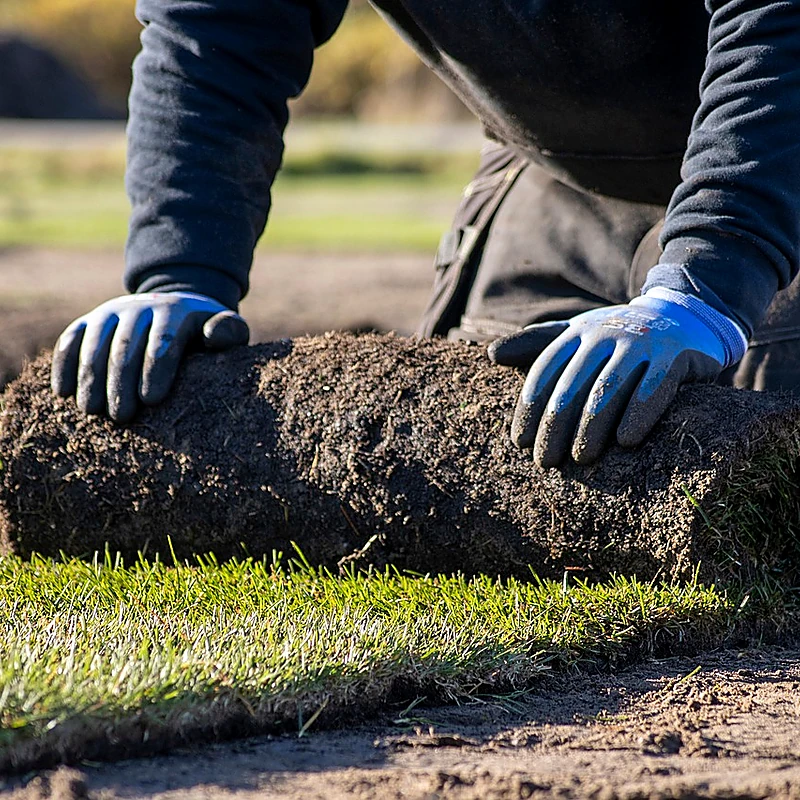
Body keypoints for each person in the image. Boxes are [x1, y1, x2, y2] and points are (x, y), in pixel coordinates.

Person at [51, 0, 800, 467]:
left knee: (757, 474)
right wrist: (177, 269)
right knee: (477, 458)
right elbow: (216, 25)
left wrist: (706, 283)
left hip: (779, 163)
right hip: (558, 177)